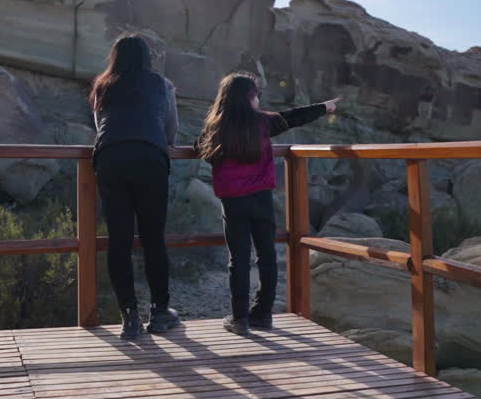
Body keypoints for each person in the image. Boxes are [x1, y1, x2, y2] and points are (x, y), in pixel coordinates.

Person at [195, 72, 340, 336]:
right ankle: (263, 314)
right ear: (250, 97)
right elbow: (295, 116)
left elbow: (202, 151)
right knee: (267, 255)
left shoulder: (216, 124)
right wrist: (324, 107)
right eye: (256, 94)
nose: (258, 98)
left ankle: (239, 318)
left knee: (238, 259)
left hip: (233, 201)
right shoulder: (264, 122)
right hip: (261, 198)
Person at [90, 33, 182, 340]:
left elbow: (100, 126)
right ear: (147, 57)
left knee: (119, 239)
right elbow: (171, 131)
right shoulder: (162, 85)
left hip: (111, 158)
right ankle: (160, 313)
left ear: (115, 56)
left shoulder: (103, 86)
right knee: (153, 237)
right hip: (149, 157)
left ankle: (129, 316)